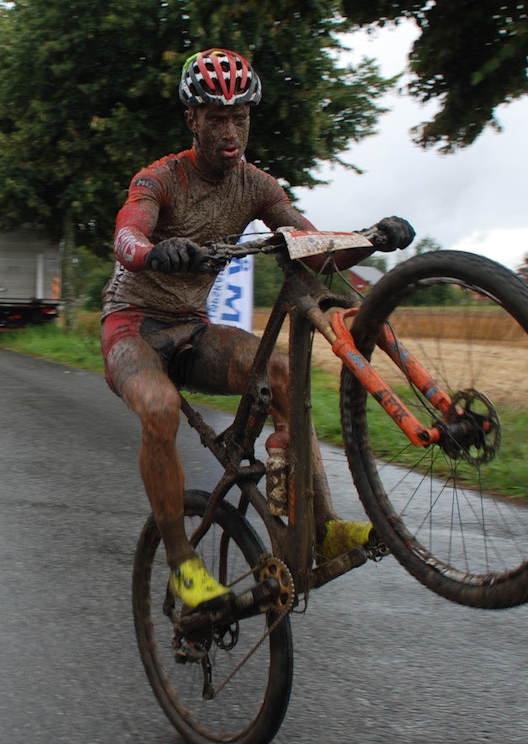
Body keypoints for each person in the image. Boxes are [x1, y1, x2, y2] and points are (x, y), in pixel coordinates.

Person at [100, 48, 415, 609]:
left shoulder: (256, 187)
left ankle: (320, 527)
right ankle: (181, 563)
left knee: (282, 371)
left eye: (240, 118)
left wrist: (371, 237)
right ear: (192, 119)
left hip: (193, 330)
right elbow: (126, 237)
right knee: (159, 408)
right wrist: (153, 253)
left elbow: (315, 249)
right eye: (216, 118)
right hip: (133, 328)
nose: (230, 131)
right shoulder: (160, 179)